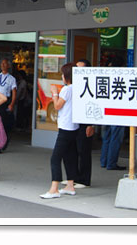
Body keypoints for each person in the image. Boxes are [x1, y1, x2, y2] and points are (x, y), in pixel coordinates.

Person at [40, 63, 79, 199]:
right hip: (74, 126)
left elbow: (57, 106)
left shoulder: (66, 90)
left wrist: (55, 93)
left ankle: (54, 188)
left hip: (65, 127)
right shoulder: (77, 88)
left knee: (55, 158)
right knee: (69, 156)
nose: (61, 76)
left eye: (63, 74)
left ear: (66, 76)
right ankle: (70, 185)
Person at [73, 59, 95, 187]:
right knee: (73, 150)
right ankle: (75, 177)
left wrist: (91, 124)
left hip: (85, 121)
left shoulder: (91, 84)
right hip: (73, 121)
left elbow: (94, 105)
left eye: (81, 69)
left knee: (84, 151)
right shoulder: (73, 84)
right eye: (76, 68)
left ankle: (84, 179)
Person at [0, 58, 17, 152]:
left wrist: (12, 104)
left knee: (3, 123)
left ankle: (2, 144)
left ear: (9, 66)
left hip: (5, 101)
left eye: (5, 64)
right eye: (2, 63)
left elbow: (14, 92)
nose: (3, 65)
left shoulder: (11, 79)